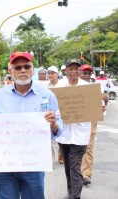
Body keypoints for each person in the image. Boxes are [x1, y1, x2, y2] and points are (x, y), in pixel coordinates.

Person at [0, 51, 64, 199]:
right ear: (11, 71)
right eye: (18, 68)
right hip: (3, 166)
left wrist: (53, 125)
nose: (23, 70)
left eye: (27, 66)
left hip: (33, 165)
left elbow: (59, 129)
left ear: (32, 69)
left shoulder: (47, 95)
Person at [55, 59, 92, 199]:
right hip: (64, 134)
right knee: (68, 167)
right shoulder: (59, 87)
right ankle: (71, 193)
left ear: (79, 70)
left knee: (75, 166)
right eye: (71, 69)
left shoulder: (87, 87)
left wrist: (100, 106)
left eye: (76, 69)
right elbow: (53, 108)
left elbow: (97, 105)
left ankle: (75, 196)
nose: (74, 71)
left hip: (80, 134)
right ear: (66, 70)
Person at [79, 64, 108, 186]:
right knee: (75, 149)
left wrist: (103, 104)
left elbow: (104, 99)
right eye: (84, 73)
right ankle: (76, 173)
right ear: (80, 73)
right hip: (76, 121)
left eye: (88, 73)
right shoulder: (73, 86)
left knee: (88, 148)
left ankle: (85, 174)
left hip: (91, 120)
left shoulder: (95, 87)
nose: (86, 75)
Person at [47, 65, 64, 164]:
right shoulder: (45, 86)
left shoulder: (62, 85)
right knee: (50, 138)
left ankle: (61, 154)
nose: (50, 75)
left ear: (57, 74)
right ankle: (51, 159)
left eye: (52, 73)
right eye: (49, 73)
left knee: (61, 136)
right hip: (50, 114)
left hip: (62, 112)